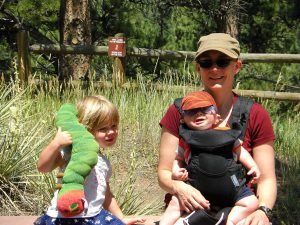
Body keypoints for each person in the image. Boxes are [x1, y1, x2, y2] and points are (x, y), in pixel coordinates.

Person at [158, 33, 277, 225]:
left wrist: (263, 211)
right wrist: (179, 187)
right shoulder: (179, 111)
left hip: (239, 209)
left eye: (222, 62)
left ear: (236, 66)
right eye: (206, 62)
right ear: (198, 68)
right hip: (189, 208)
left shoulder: (255, 114)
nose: (214, 69)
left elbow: (266, 178)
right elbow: (164, 172)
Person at [34, 95, 145, 225]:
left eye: (114, 126)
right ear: (85, 129)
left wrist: (121, 217)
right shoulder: (70, 153)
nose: (111, 132)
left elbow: (106, 195)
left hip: (94, 216)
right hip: (62, 218)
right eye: (103, 129)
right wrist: (55, 144)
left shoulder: (103, 162)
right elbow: (43, 167)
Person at [159, 91, 260, 225]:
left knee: (251, 203)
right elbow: (178, 158)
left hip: (231, 188)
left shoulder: (227, 134)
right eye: (191, 111)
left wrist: (252, 166)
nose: (199, 113)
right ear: (183, 119)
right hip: (196, 191)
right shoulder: (186, 139)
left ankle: (229, 221)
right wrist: (176, 172)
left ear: (217, 117)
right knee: (175, 203)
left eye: (205, 109)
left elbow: (240, 151)